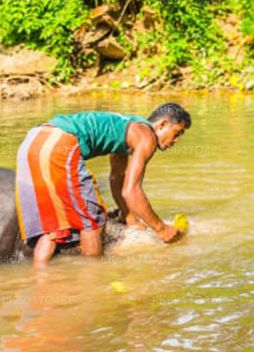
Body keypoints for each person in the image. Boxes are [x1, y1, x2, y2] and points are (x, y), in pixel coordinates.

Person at [15, 103, 191, 268]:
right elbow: (132, 191)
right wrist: (161, 229)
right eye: (177, 133)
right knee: (93, 220)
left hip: (33, 141)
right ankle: (94, 280)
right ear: (162, 125)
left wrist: (128, 216)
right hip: (59, 143)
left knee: (54, 227)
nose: (176, 141)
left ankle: (38, 275)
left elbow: (117, 178)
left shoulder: (128, 128)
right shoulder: (147, 137)